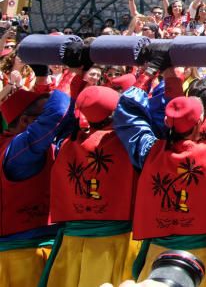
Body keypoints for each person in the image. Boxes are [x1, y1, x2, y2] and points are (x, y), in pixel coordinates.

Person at [114, 65, 206, 284]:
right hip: (201, 257)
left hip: (157, 251)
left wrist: (148, 74)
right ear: (199, 123)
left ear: (167, 122)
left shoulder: (149, 152)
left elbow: (127, 114)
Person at [44, 85, 140, 287]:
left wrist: (76, 77)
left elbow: (59, 114)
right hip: (115, 243)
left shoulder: (68, 144)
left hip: (71, 244)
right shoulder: (125, 144)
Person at [0, 66, 78, 285]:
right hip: (20, 259)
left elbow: (66, 115)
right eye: (40, 117)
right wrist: (70, 72)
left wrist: (79, 74)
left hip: (40, 249)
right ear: (25, 122)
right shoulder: (15, 150)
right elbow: (55, 114)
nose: (58, 125)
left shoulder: (25, 143)